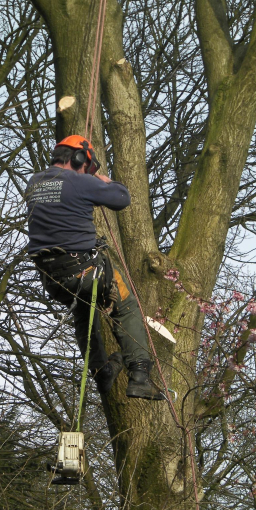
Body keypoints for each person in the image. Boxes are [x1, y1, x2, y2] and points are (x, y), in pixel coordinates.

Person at [25, 135, 165, 400]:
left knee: (82, 310)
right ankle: (140, 376)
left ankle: (101, 371)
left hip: (52, 277)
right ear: (79, 159)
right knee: (125, 306)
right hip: (84, 270)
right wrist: (104, 181)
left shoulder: (34, 183)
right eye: (85, 166)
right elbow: (122, 198)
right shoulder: (79, 181)